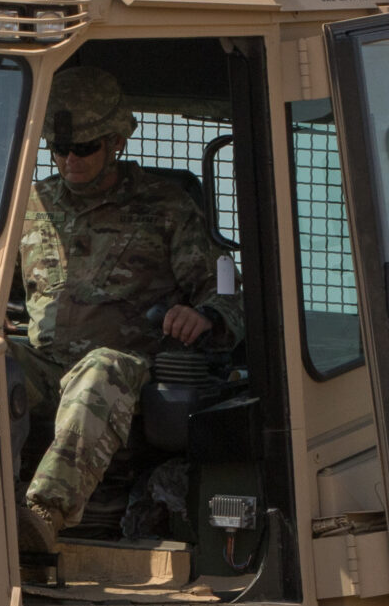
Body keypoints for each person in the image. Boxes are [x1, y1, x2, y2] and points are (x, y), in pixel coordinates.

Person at [13, 65, 243, 555]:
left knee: (100, 368)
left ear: (116, 141)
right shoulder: (30, 205)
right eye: (59, 148)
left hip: (125, 376)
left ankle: (42, 516)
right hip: (43, 367)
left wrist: (205, 317)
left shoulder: (165, 208)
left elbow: (223, 293)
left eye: (84, 148)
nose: (68, 160)